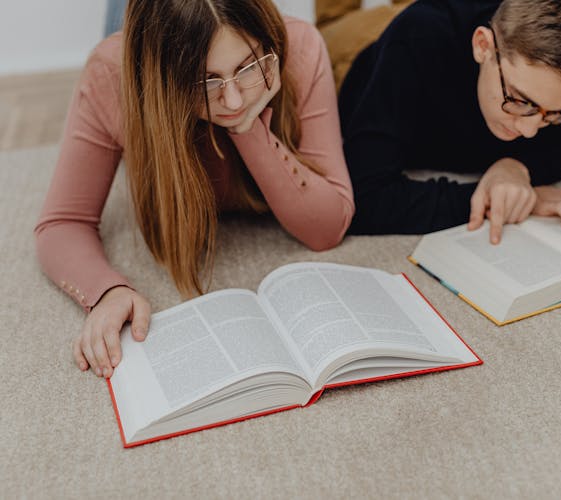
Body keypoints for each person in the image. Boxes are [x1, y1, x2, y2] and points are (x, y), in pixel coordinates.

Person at [35, 0, 354, 378]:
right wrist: (106, 292)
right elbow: (62, 223)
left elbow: (327, 228)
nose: (233, 100)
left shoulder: (298, 46)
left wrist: (248, 128)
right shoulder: (113, 75)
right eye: (207, 81)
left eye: (246, 66)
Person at [338, 0, 561, 243]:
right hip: (356, 56)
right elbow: (364, 199)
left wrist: (514, 168)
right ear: (483, 46)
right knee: (336, 34)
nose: (529, 131)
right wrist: (515, 201)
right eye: (521, 101)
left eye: (556, 114)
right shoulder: (417, 38)